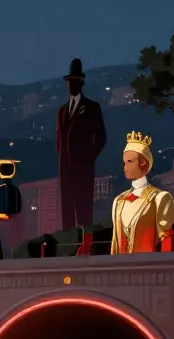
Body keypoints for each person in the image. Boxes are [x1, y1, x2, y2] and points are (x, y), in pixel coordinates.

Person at [57, 58, 108, 238]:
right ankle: (68, 242)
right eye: (68, 82)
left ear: (80, 83)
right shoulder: (62, 111)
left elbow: (101, 137)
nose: (70, 85)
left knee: (84, 208)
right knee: (67, 210)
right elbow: (60, 141)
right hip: (65, 169)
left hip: (83, 168)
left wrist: (88, 158)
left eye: (73, 81)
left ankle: (87, 242)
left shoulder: (92, 107)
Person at [110, 131, 174, 254]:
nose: (124, 167)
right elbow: (115, 242)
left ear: (143, 163)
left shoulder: (160, 198)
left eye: (130, 162)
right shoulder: (119, 200)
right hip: (121, 269)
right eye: (124, 163)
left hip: (148, 268)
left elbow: (167, 240)